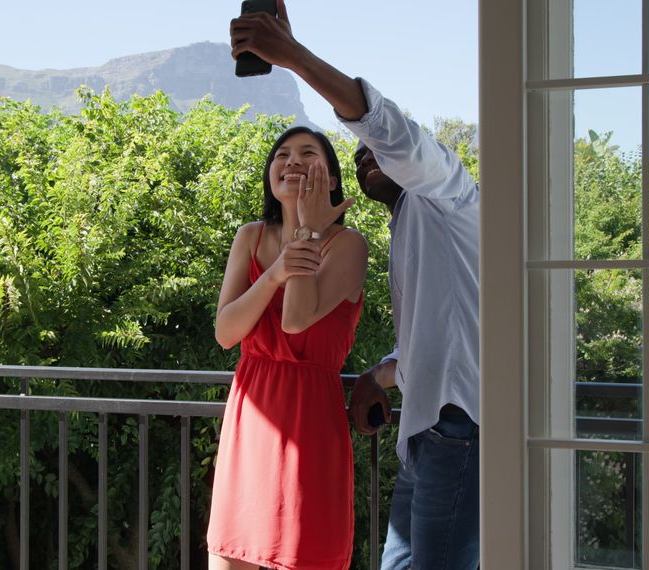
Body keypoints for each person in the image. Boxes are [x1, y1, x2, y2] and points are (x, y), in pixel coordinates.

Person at [230, 3, 482, 569]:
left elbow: (384, 126)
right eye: (360, 153)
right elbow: (437, 335)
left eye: (377, 151)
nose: (368, 153)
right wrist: (378, 375)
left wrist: (292, 56)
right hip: (426, 429)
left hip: (461, 423)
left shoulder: (449, 190)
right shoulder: (408, 229)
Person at [206, 125, 368, 570]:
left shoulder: (348, 245)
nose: (292, 161)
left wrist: (308, 231)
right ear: (269, 174)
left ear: (331, 180)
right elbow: (226, 333)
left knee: (304, 553)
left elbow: (296, 320)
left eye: (307, 153)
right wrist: (275, 271)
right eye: (282, 154)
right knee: (230, 554)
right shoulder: (249, 237)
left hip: (309, 425)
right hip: (251, 417)